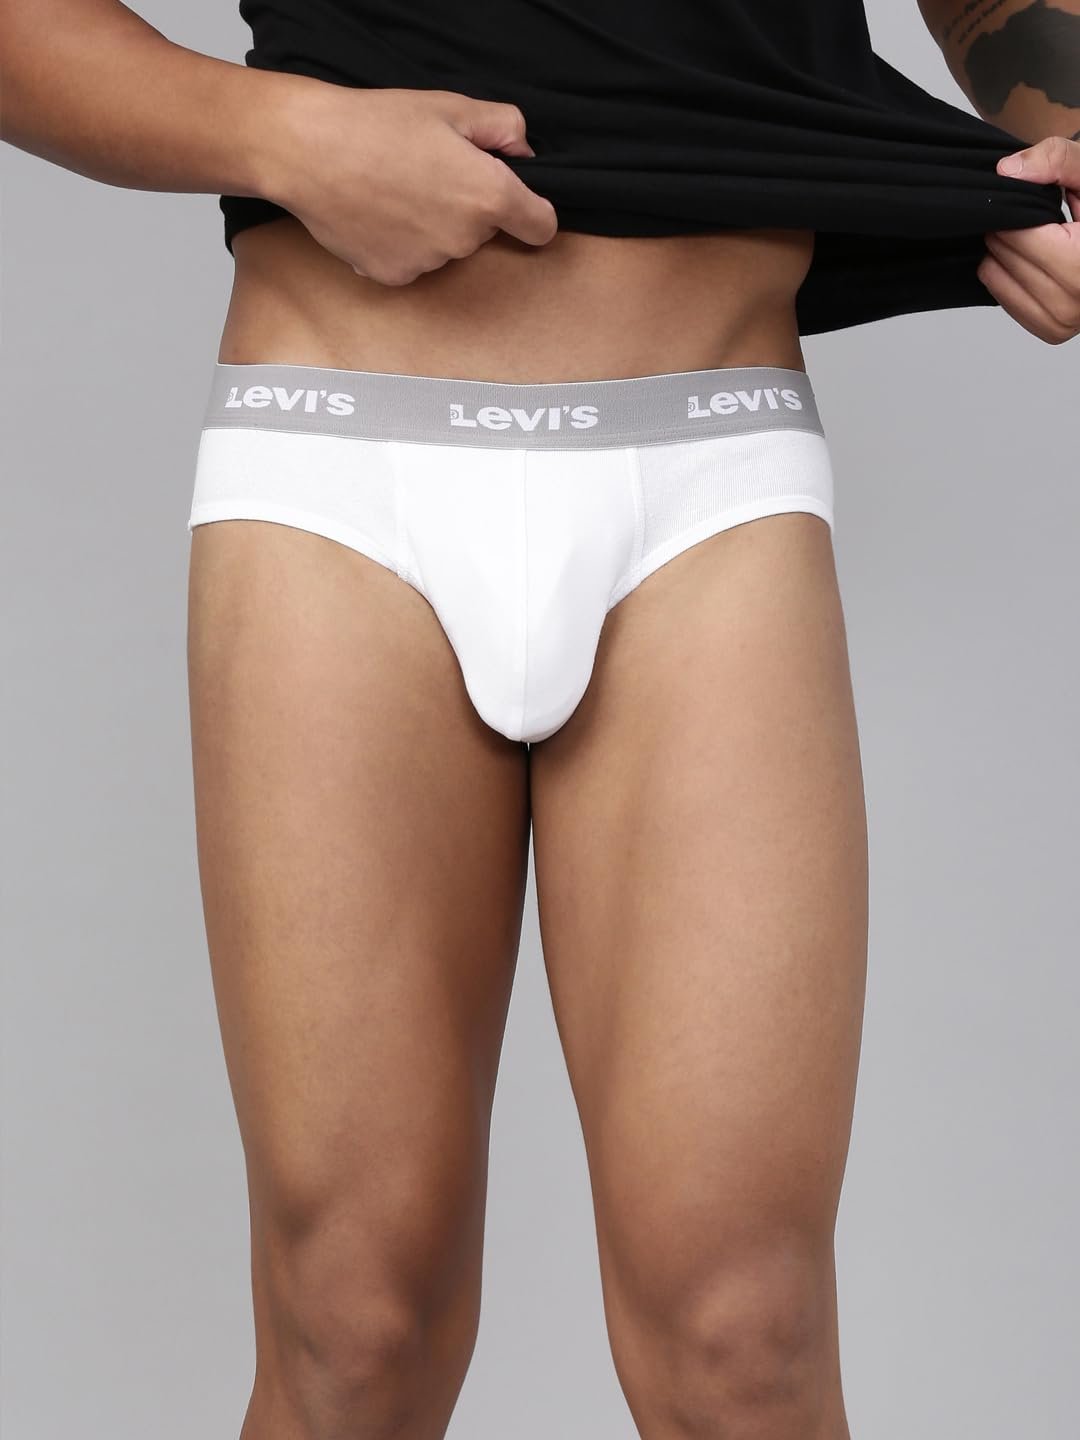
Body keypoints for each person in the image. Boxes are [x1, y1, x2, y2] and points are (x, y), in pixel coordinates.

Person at [3, 2, 1077, 1437]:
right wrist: (283, 134)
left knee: (744, 1341)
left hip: (706, 472)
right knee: (351, 1330)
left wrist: (1070, 129)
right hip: (342, 452)